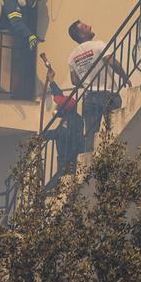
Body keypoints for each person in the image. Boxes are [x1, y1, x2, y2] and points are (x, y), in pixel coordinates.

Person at [67, 19, 130, 151]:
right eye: (85, 26)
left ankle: (88, 164)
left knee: (91, 134)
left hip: (90, 98)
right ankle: (111, 158)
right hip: (108, 95)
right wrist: (124, 77)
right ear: (82, 34)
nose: (90, 26)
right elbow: (112, 62)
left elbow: (74, 81)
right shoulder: (98, 45)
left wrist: (88, 83)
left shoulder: (72, 56)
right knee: (113, 130)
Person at [42, 60, 81, 174]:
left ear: (64, 110)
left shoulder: (70, 122)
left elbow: (60, 134)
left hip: (67, 161)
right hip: (67, 159)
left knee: (59, 183)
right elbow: (59, 95)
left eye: (59, 106)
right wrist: (51, 80)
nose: (57, 107)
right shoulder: (72, 116)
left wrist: (43, 135)